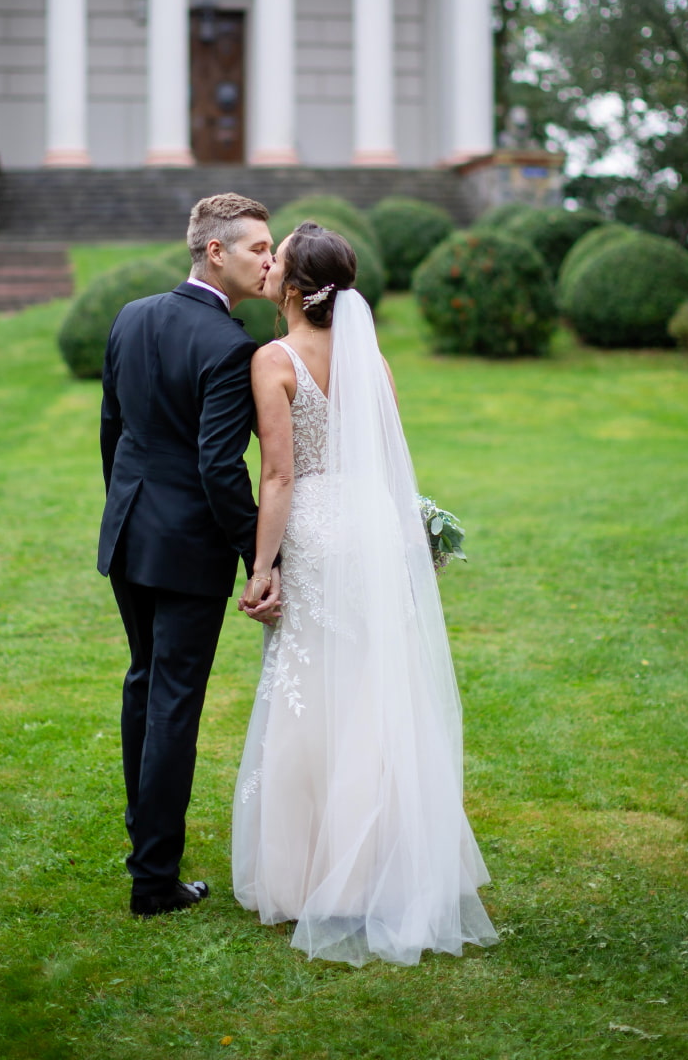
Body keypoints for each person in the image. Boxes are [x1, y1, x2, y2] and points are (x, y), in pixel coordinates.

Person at [233, 222, 498, 964]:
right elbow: (389, 462)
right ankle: (381, 863)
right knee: (373, 688)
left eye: (274, 257)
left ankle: (310, 874)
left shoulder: (273, 360)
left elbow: (280, 477)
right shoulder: (371, 361)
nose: (267, 264)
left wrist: (261, 566)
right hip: (374, 528)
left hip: (317, 531)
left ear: (289, 287)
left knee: (310, 688)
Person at [99, 192, 280, 918]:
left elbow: (114, 433)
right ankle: (152, 880)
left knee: (144, 685)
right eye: (257, 249)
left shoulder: (130, 315)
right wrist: (256, 555)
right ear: (215, 251)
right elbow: (218, 466)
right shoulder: (230, 346)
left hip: (128, 529)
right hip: (187, 547)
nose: (268, 260)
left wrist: (124, 510)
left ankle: (145, 845)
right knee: (172, 701)